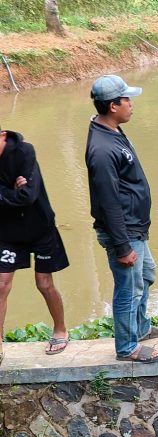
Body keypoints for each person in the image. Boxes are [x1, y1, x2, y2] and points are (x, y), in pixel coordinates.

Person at [85, 74, 158, 363]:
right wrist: (122, 246)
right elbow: (107, 202)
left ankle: (140, 328)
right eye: (126, 99)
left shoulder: (112, 131)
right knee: (128, 290)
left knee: (146, 276)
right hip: (124, 232)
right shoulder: (102, 149)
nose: (131, 104)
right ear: (112, 106)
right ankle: (128, 346)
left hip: (135, 227)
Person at [0, 126, 69, 364]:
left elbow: (28, 196)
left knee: (44, 283)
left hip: (40, 227)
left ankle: (60, 330)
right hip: (7, 231)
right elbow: (18, 195)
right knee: (1, 285)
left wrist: (7, 193)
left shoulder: (24, 151)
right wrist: (11, 190)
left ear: (3, 135)